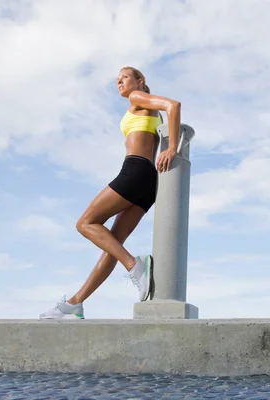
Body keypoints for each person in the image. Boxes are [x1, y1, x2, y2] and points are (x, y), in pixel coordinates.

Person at [39, 66, 181, 319]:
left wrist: (172, 148)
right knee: (112, 246)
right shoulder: (146, 107)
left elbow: (173, 104)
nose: (119, 82)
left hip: (135, 170)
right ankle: (75, 303)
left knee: (85, 223)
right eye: (117, 80)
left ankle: (135, 266)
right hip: (149, 182)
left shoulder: (137, 98)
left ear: (140, 81)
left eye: (124, 77)